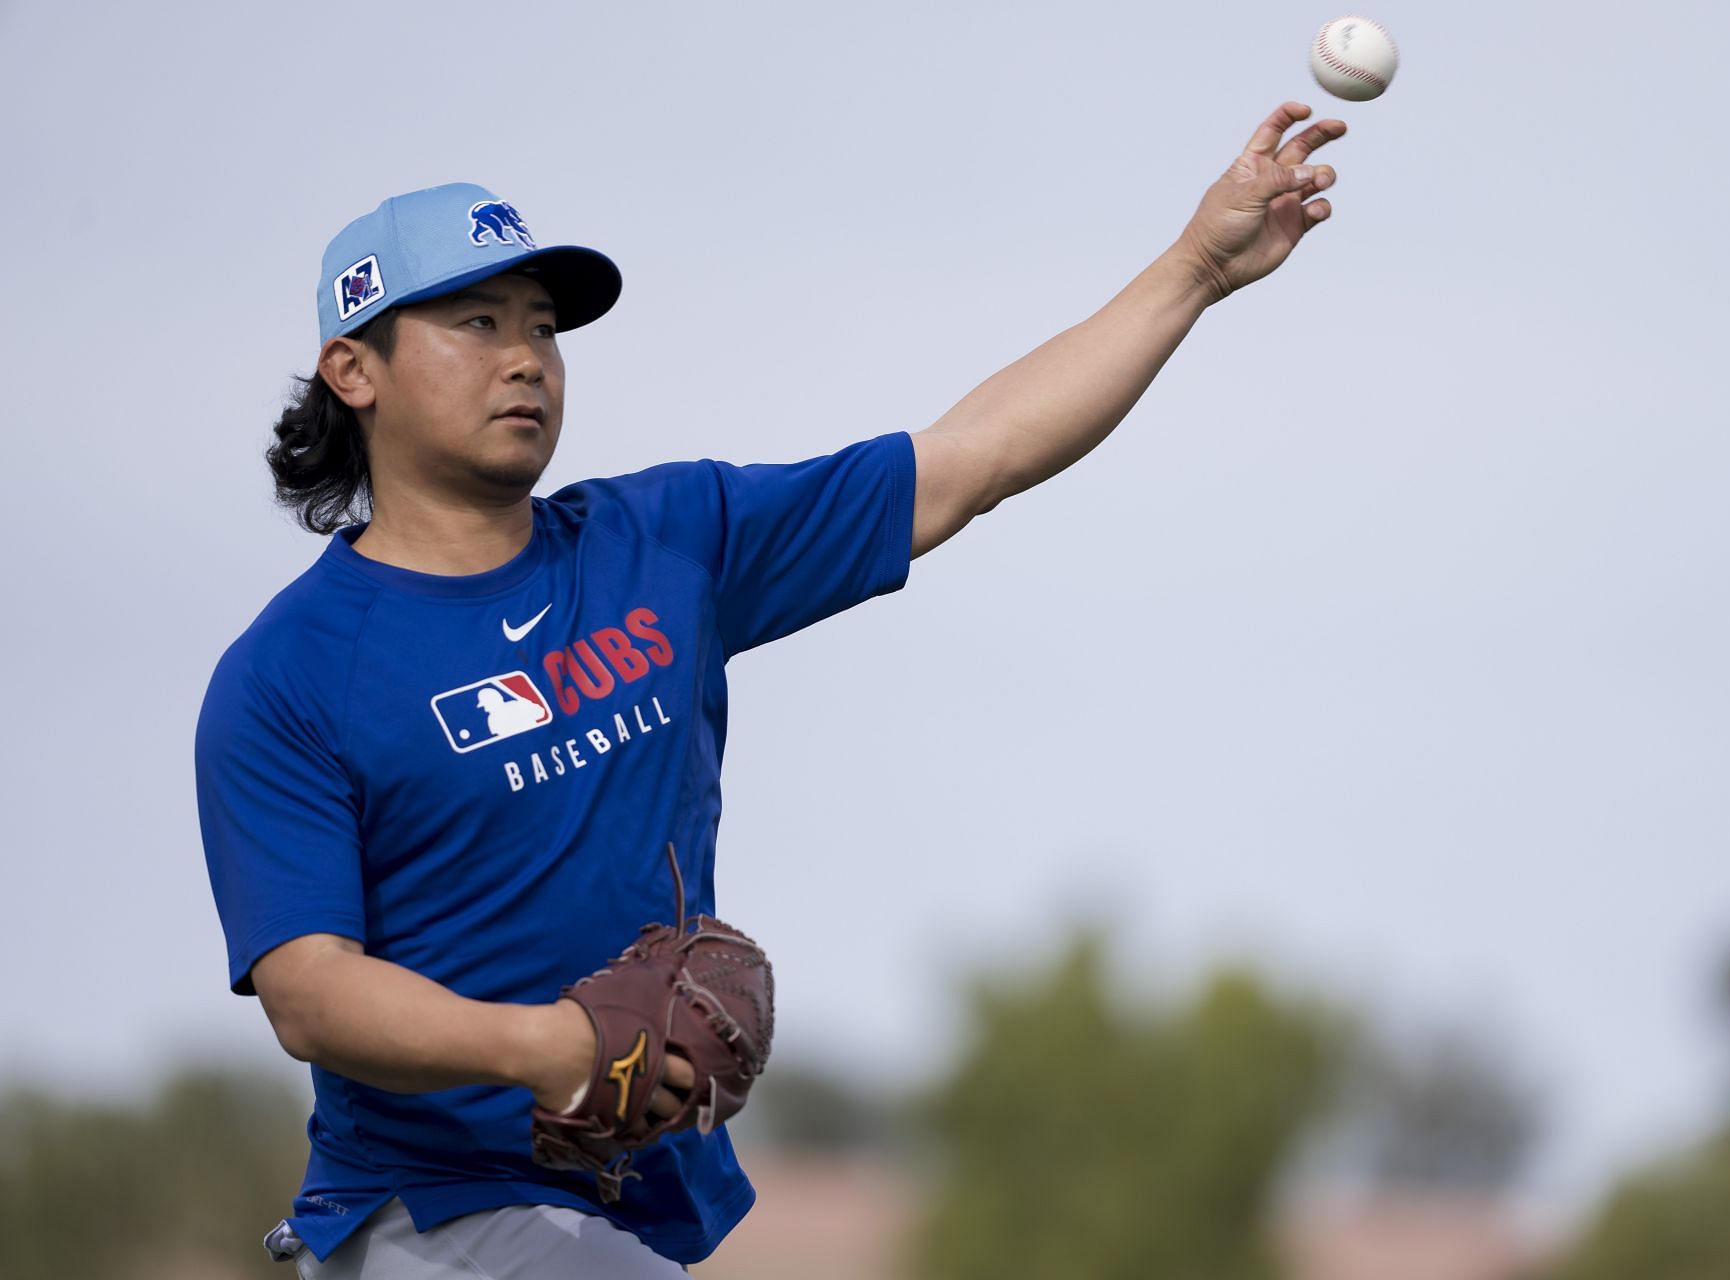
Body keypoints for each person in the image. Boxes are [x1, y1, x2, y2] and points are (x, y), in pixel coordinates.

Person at [196, 101, 1345, 1278]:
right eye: (475, 320)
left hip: (619, 1210)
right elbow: (312, 993)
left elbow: (974, 456)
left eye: (543, 326)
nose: (527, 355)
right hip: (425, 1214)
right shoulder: (289, 675)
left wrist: (1197, 267)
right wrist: (549, 1044)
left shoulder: (667, 543)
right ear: (354, 368)